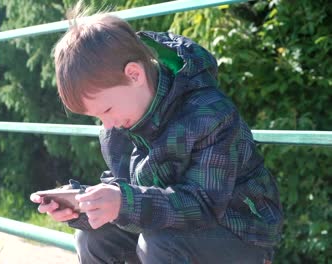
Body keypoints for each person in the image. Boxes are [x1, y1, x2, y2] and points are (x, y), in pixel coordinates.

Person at [30, 7, 283, 264]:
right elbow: (124, 190)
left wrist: (124, 203)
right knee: (93, 237)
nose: (107, 124)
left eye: (107, 109)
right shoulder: (117, 128)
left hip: (240, 233)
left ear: (134, 75)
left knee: (159, 244)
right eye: (97, 117)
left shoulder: (208, 114)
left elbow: (204, 205)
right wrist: (86, 206)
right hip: (170, 226)